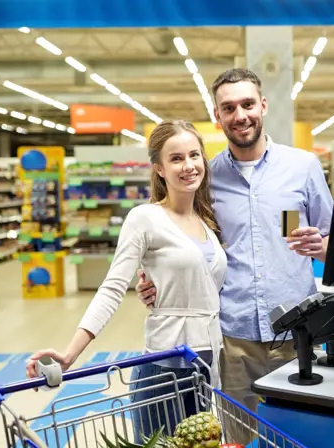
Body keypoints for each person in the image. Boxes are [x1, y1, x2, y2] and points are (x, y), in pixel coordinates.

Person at [135, 69, 334, 418]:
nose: (240, 116)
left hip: (296, 333)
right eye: (228, 108)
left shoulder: (303, 167)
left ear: (263, 105)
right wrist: (155, 281)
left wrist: (321, 246)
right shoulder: (204, 179)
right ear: (217, 116)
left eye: (247, 104)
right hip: (232, 338)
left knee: (297, 433)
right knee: (239, 436)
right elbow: (187, 246)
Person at [25, 120, 228, 443]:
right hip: (165, 370)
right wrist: (70, 354)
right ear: (159, 168)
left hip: (206, 366)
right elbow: (112, 288)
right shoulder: (144, 218)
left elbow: (205, 289)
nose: (188, 166)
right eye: (176, 158)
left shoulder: (205, 222)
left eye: (194, 155)